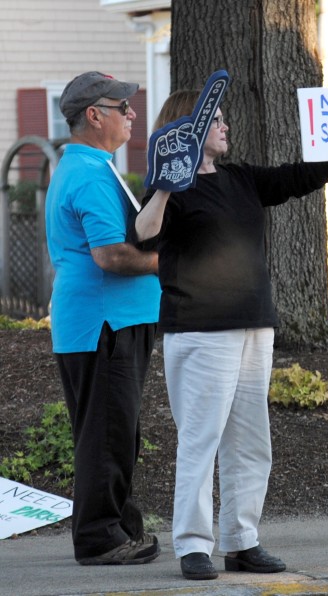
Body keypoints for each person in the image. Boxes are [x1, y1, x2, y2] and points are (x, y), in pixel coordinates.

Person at [135, 89, 328, 580]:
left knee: (251, 441)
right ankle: (193, 545)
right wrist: (168, 183)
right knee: (201, 438)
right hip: (200, 330)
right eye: (216, 120)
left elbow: (294, 177)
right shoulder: (172, 188)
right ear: (189, 128)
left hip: (255, 325)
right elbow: (144, 231)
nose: (226, 126)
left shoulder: (240, 178)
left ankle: (241, 541)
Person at [45, 71, 168, 565]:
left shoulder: (84, 166)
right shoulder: (91, 174)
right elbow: (112, 256)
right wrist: (172, 260)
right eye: (124, 107)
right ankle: (101, 538)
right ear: (94, 115)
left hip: (99, 322)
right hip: (106, 323)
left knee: (112, 431)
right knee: (108, 434)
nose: (132, 114)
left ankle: (119, 527)